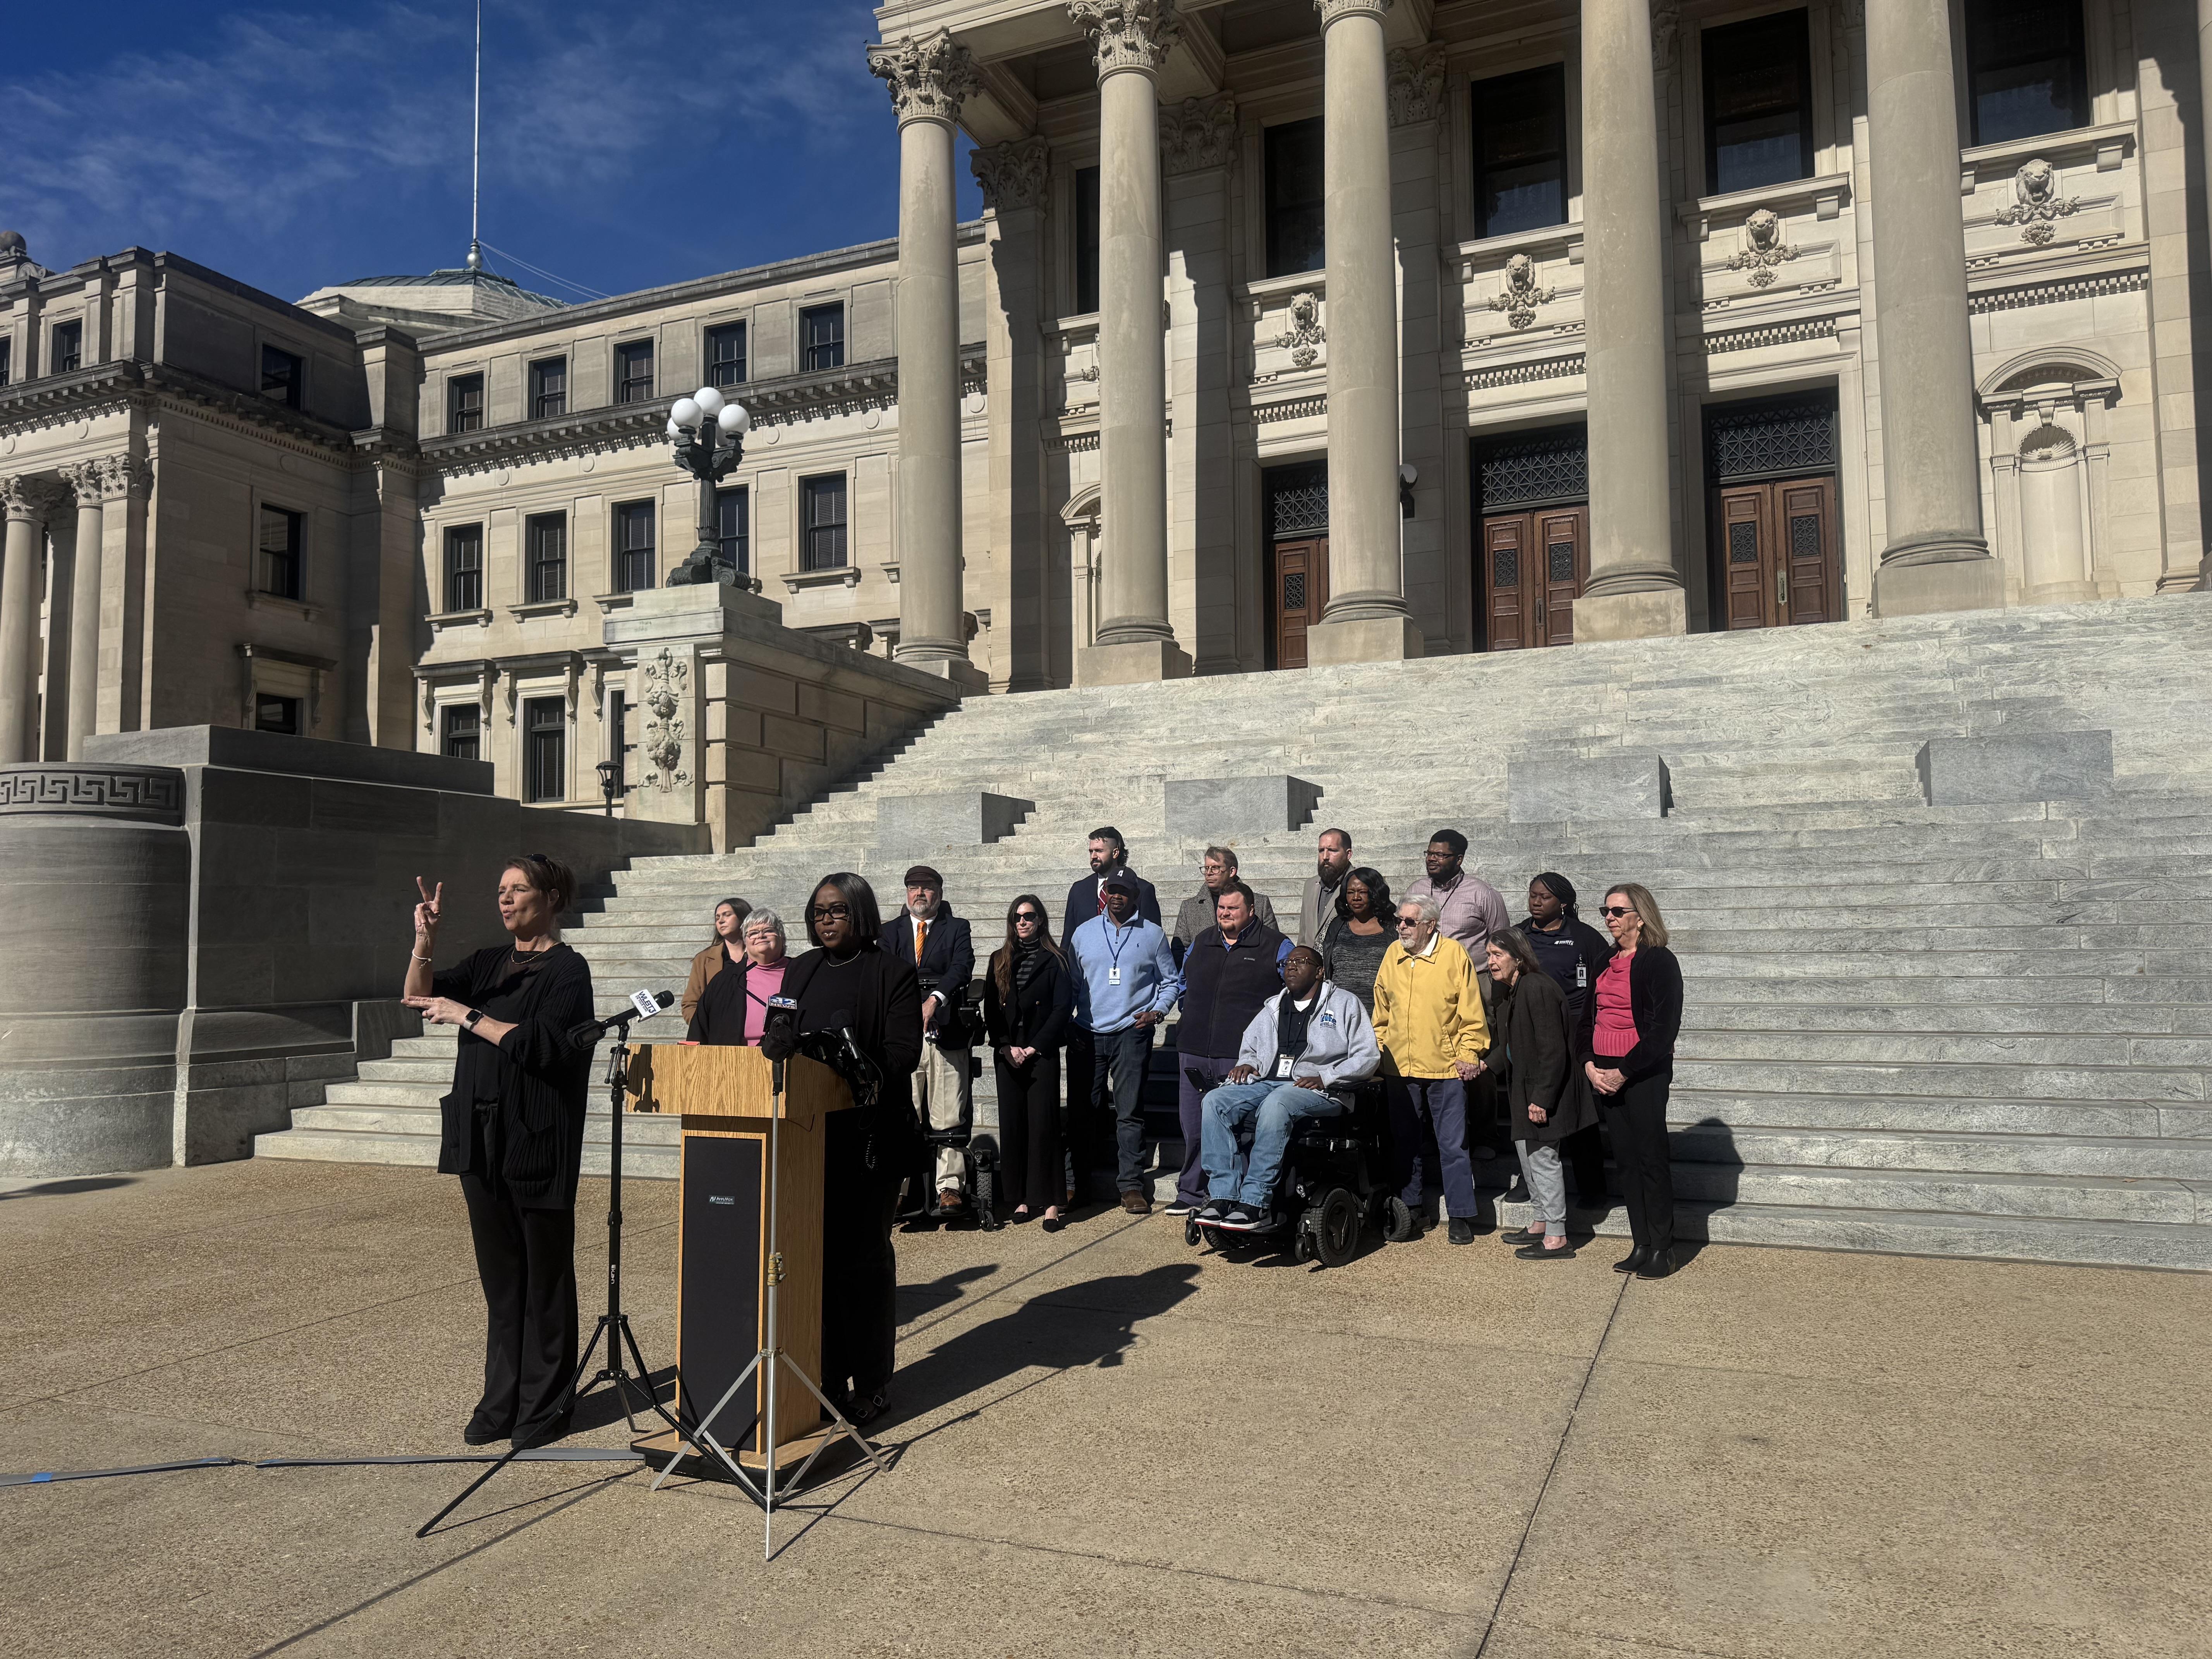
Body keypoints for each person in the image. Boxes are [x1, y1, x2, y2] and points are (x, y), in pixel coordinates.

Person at [402, 856, 596, 1450]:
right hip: (480, 1137)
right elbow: (417, 996)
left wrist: (470, 1014)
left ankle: (544, 1405)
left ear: (552, 897)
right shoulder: (489, 963)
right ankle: (501, 1400)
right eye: (501, 890)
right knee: (502, 1283)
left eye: (518, 890)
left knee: (545, 1279)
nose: (505, 900)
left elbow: (541, 1047)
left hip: (536, 1140)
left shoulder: (569, 970)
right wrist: (424, 943)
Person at [773, 872, 923, 1424]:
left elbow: (902, 1053)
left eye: (837, 910)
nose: (825, 920)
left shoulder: (893, 973)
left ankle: (872, 1382)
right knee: (815, 1262)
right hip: (808, 1140)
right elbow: (779, 1025)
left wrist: (846, 1063)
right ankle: (825, 1376)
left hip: (869, 1141)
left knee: (861, 1263)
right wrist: (780, 1042)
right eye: (817, 912)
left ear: (860, 914)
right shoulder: (802, 969)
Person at [1197, 945, 1379, 1229]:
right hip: (1268, 1082)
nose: (1291, 967)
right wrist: (1247, 1062)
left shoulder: (1344, 1003)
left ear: (1320, 971)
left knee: (1278, 1102)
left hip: (1323, 1091)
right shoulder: (1273, 1006)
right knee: (1215, 1101)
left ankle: (1256, 1203)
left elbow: (1368, 1057)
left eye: (1300, 962)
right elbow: (1251, 1046)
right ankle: (1223, 1196)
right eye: (1287, 962)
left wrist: (1327, 1076)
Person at [1370, 893, 1491, 1245]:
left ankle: (1461, 1215)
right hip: (1398, 1067)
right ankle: (1410, 1209)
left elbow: (1472, 1012)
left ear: (1430, 925)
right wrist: (1380, 1047)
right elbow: (1382, 1009)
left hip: (1445, 1067)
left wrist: (1469, 1053)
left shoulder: (1454, 955)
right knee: (1405, 1142)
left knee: (1453, 1145)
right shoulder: (1393, 953)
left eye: (1409, 922)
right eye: (1399, 921)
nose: (1401, 927)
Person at [1168, 881, 1293, 1217]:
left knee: (1239, 1129)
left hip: (1241, 1056)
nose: (1224, 914)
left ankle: (1237, 1197)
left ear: (1251, 911)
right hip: (1194, 1049)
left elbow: (1292, 993)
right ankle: (1192, 1191)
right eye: (1221, 908)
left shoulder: (1276, 945)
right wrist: (1189, 1011)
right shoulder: (1202, 941)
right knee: (1194, 1127)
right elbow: (1182, 982)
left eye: (1232, 908)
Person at [1581, 883, 1685, 1281]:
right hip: (1604, 1071)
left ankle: (1663, 1248)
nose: (1608, 917)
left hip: (1642, 1072)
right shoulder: (1605, 959)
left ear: (1640, 917)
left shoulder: (1659, 961)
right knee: (1625, 1161)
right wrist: (1590, 1065)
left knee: (1650, 1160)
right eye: (1605, 910)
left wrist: (1624, 1071)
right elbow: (1587, 1019)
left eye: (1617, 911)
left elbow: (1663, 1030)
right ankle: (1640, 1243)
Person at [1066, 871, 1182, 1214]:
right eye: (1111, 891)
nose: (1117, 897)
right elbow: (1071, 984)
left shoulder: (1153, 935)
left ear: (1134, 896)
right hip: (1088, 1032)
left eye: (1123, 892)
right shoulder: (1083, 933)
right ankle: (1075, 1184)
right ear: (1105, 895)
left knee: (1129, 1112)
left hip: (1132, 1031)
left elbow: (1171, 982)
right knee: (1083, 1111)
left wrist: (1157, 1013)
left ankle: (1131, 1185)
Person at [1486, 928, 1597, 1261]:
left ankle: (1557, 1237)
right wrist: (1483, 1068)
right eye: (1489, 955)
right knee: (1527, 1155)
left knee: (1544, 1161)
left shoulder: (1536, 988)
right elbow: (1508, 1046)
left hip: (1545, 1091)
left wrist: (1542, 1099)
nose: (1490, 962)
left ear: (1518, 958)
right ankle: (1541, 1221)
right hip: (1526, 1089)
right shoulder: (1513, 990)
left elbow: (1553, 1051)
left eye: (1497, 955)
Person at [881, 866, 976, 1221]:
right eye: (914, 888)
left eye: (928, 888)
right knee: (907, 1111)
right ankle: (904, 1190)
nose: (920, 894)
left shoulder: (957, 928)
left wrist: (935, 998)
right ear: (906, 893)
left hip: (946, 1031)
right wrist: (910, 1008)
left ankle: (949, 1187)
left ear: (939, 892)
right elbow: (886, 972)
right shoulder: (889, 932)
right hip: (903, 1034)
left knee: (948, 1111)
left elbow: (962, 967)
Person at [982, 894, 1076, 1232]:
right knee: (1014, 1125)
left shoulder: (1057, 959)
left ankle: (1051, 1202)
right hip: (1009, 1055)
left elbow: (1062, 1009)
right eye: (1017, 917)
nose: (1022, 922)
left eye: (1029, 917)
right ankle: (1021, 1198)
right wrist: (1008, 1048)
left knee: (1044, 1125)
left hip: (1042, 1053)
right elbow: (991, 1010)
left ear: (1040, 921)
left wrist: (1034, 1047)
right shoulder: (998, 960)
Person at [1518, 873, 1612, 1202]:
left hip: (1574, 1030)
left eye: (1544, 897)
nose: (1536, 901)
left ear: (1564, 903)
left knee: (1579, 1107)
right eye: (1532, 895)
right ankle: (1527, 1182)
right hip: (1530, 1031)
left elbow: (1605, 983)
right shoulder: (1519, 935)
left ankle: (1592, 1185)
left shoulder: (1585, 937)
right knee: (1531, 1103)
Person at [1405, 829, 1511, 993]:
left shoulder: (1483, 893)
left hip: (1474, 979)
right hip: (1424, 978)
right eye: (1429, 853)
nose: (1432, 859)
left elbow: (1501, 940)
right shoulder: (1415, 890)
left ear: (1459, 859)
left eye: (1440, 855)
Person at [685, 905, 789, 1045]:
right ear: (745, 942)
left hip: (792, 1059)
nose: (760, 936)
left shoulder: (802, 972)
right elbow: (700, 1027)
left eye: (769, 931)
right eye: (752, 933)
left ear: (782, 936)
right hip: (736, 1061)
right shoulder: (724, 980)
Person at [1171, 844, 1277, 959]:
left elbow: (1273, 944)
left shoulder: (1260, 903)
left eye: (1215, 868)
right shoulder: (1189, 907)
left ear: (1232, 872)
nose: (1209, 873)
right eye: (1207, 868)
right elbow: (1180, 951)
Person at [1061, 824, 1162, 939]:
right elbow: (1069, 938)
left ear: (1115, 853)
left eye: (1099, 851)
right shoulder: (1078, 890)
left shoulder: (1143, 890)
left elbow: (1154, 937)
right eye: (1091, 851)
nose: (1093, 856)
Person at [1319, 865, 1393, 1013]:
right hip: (1339, 1012)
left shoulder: (1393, 927)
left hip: (1380, 1014)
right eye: (1351, 892)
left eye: (1363, 892)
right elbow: (1321, 962)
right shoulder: (1335, 925)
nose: (1356, 898)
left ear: (1375, 894)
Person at [680, 895, 752, 1024]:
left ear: (743, 918)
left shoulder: (761, 954)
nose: (721, 921)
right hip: (716, 1037)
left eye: (727, 915)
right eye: (717, 918)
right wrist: (704, 1027)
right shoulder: (704, 959)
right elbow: (690, 1003)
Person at [1297, 828, 1354, 948]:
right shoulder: (1310, 885)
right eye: (1321, 851)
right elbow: (1303, 936)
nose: (1325, 857)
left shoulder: (1359, 884)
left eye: (1332, 850)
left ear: (1348, 854)